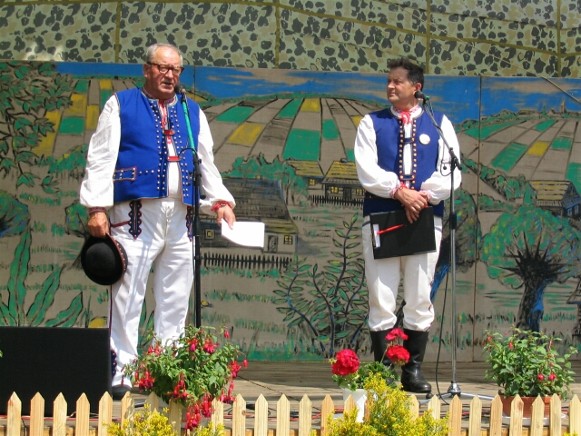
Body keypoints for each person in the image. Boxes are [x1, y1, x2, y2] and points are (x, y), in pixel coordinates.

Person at [80, 42, 236, 399]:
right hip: (135, 214)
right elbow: (101, 156)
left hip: (182, 215)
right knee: (128, 294)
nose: (170, 75)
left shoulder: (190, 110)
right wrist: (97, 207)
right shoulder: (121, 104)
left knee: (176, 296)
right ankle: (122, 372)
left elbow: (205, 161)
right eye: (163, 68)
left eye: (176, 70)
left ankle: (167, 372)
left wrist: (221, 199)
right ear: (147, 69)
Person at [354, 58, 461, 394]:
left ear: (417, 87)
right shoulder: (371, 124)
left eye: (397, 82)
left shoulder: (439, 123)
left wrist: (422, 196)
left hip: (425, 217)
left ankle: (411, 370)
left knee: (418, 295)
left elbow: (452, 171)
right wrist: (401, 192)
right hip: (382, 216)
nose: (390, 87)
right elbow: (366, 169)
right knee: (381, 294)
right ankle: (384, 371)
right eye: (388, 81)